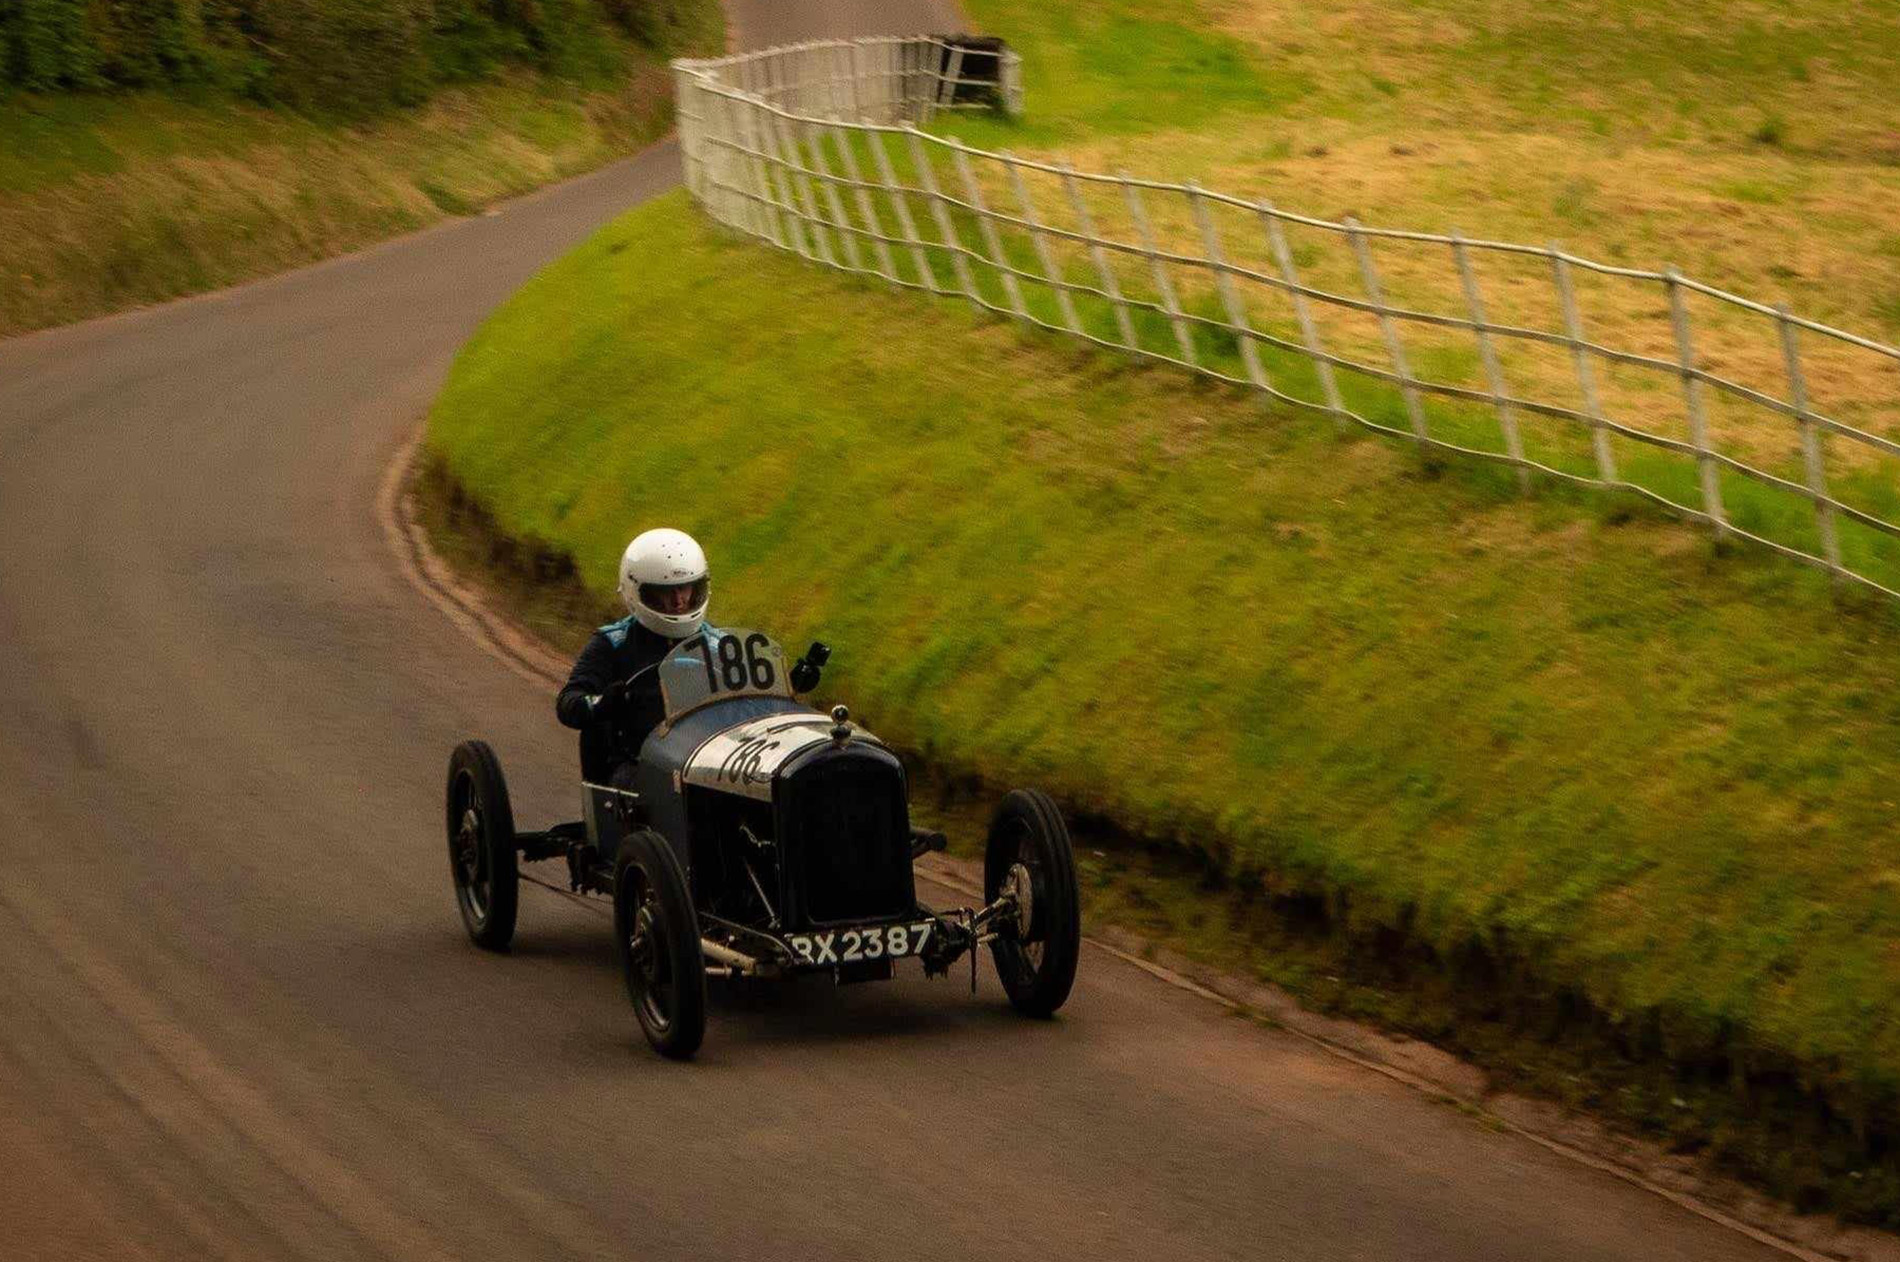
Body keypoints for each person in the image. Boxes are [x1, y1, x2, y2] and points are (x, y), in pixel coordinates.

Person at [556, 528, 711, 785]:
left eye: (685, 588)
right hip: (635, 762)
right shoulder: (612, 643)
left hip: (708, 757)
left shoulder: (716, 642)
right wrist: (602, 704)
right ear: (637, 591)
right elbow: (568, 702)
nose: (678, 601)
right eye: (665, 591)